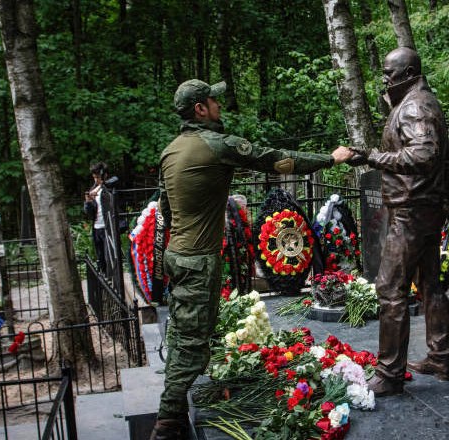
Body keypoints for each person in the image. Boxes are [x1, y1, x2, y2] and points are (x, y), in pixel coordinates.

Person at [150, 79, 353, 440]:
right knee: (191, 343)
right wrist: (330, 158)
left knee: (185, 332)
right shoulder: (216, 144)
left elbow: (164, 210)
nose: (219, 106)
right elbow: (277, 160)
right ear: (200, 108)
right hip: (199, 260)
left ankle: (177, 413)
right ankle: (166, 425)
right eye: (214, 101)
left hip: (178, 256)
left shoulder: (170, 151)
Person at [346, 47, 449, 396]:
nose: (384, 80)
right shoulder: (424, 102)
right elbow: (448, 159)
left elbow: (425, 154)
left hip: (410, 212)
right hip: (425, 209)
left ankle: (389, 374)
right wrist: (448, 201)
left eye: (389, 74)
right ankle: (440, 358)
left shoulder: (413, 106)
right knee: (429, 286)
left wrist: (374, 157)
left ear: (408, 74)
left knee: (390, 289)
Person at [83, 162, 110, 273]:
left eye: (98, 177)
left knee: (110, 257)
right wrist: (88, 202)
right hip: (96, 227)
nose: (96, 180)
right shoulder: (92, 189)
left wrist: (100, 187)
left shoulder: (109, 187)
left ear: (104, 176)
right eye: (94, 178)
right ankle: (104, 280)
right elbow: (88, 214)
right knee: (100, 256)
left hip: (108, 227)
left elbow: (115, 180)